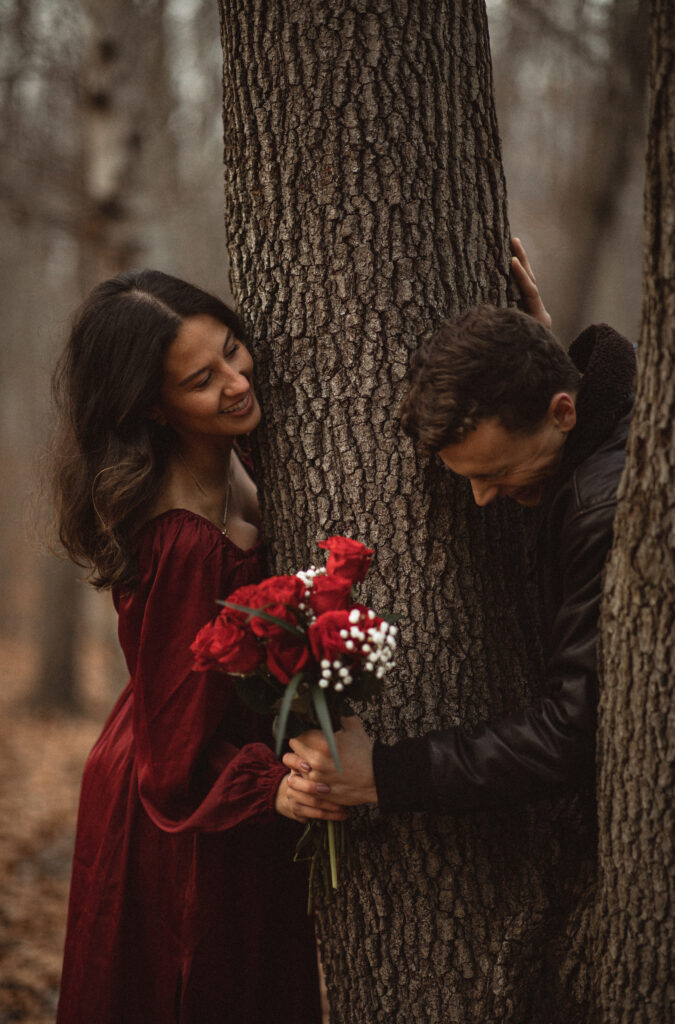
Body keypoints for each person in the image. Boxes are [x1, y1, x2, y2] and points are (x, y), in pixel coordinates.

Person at [52, 270, 343, 1024]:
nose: (238, 381)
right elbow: (173, 748)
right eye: (201, 379)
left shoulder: (236, 456)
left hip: (218, 763)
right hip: (178, 798)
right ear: (153, 407)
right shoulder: (180, 539)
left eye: (233, 350)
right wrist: (264, 788)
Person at [283, 244, 636, 818]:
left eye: (496, 471)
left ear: (564, 412)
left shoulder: (606, 506)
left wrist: (384, 775)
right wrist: (537, 345)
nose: (481, 497)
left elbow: (577, 729)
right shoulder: (614, 399)